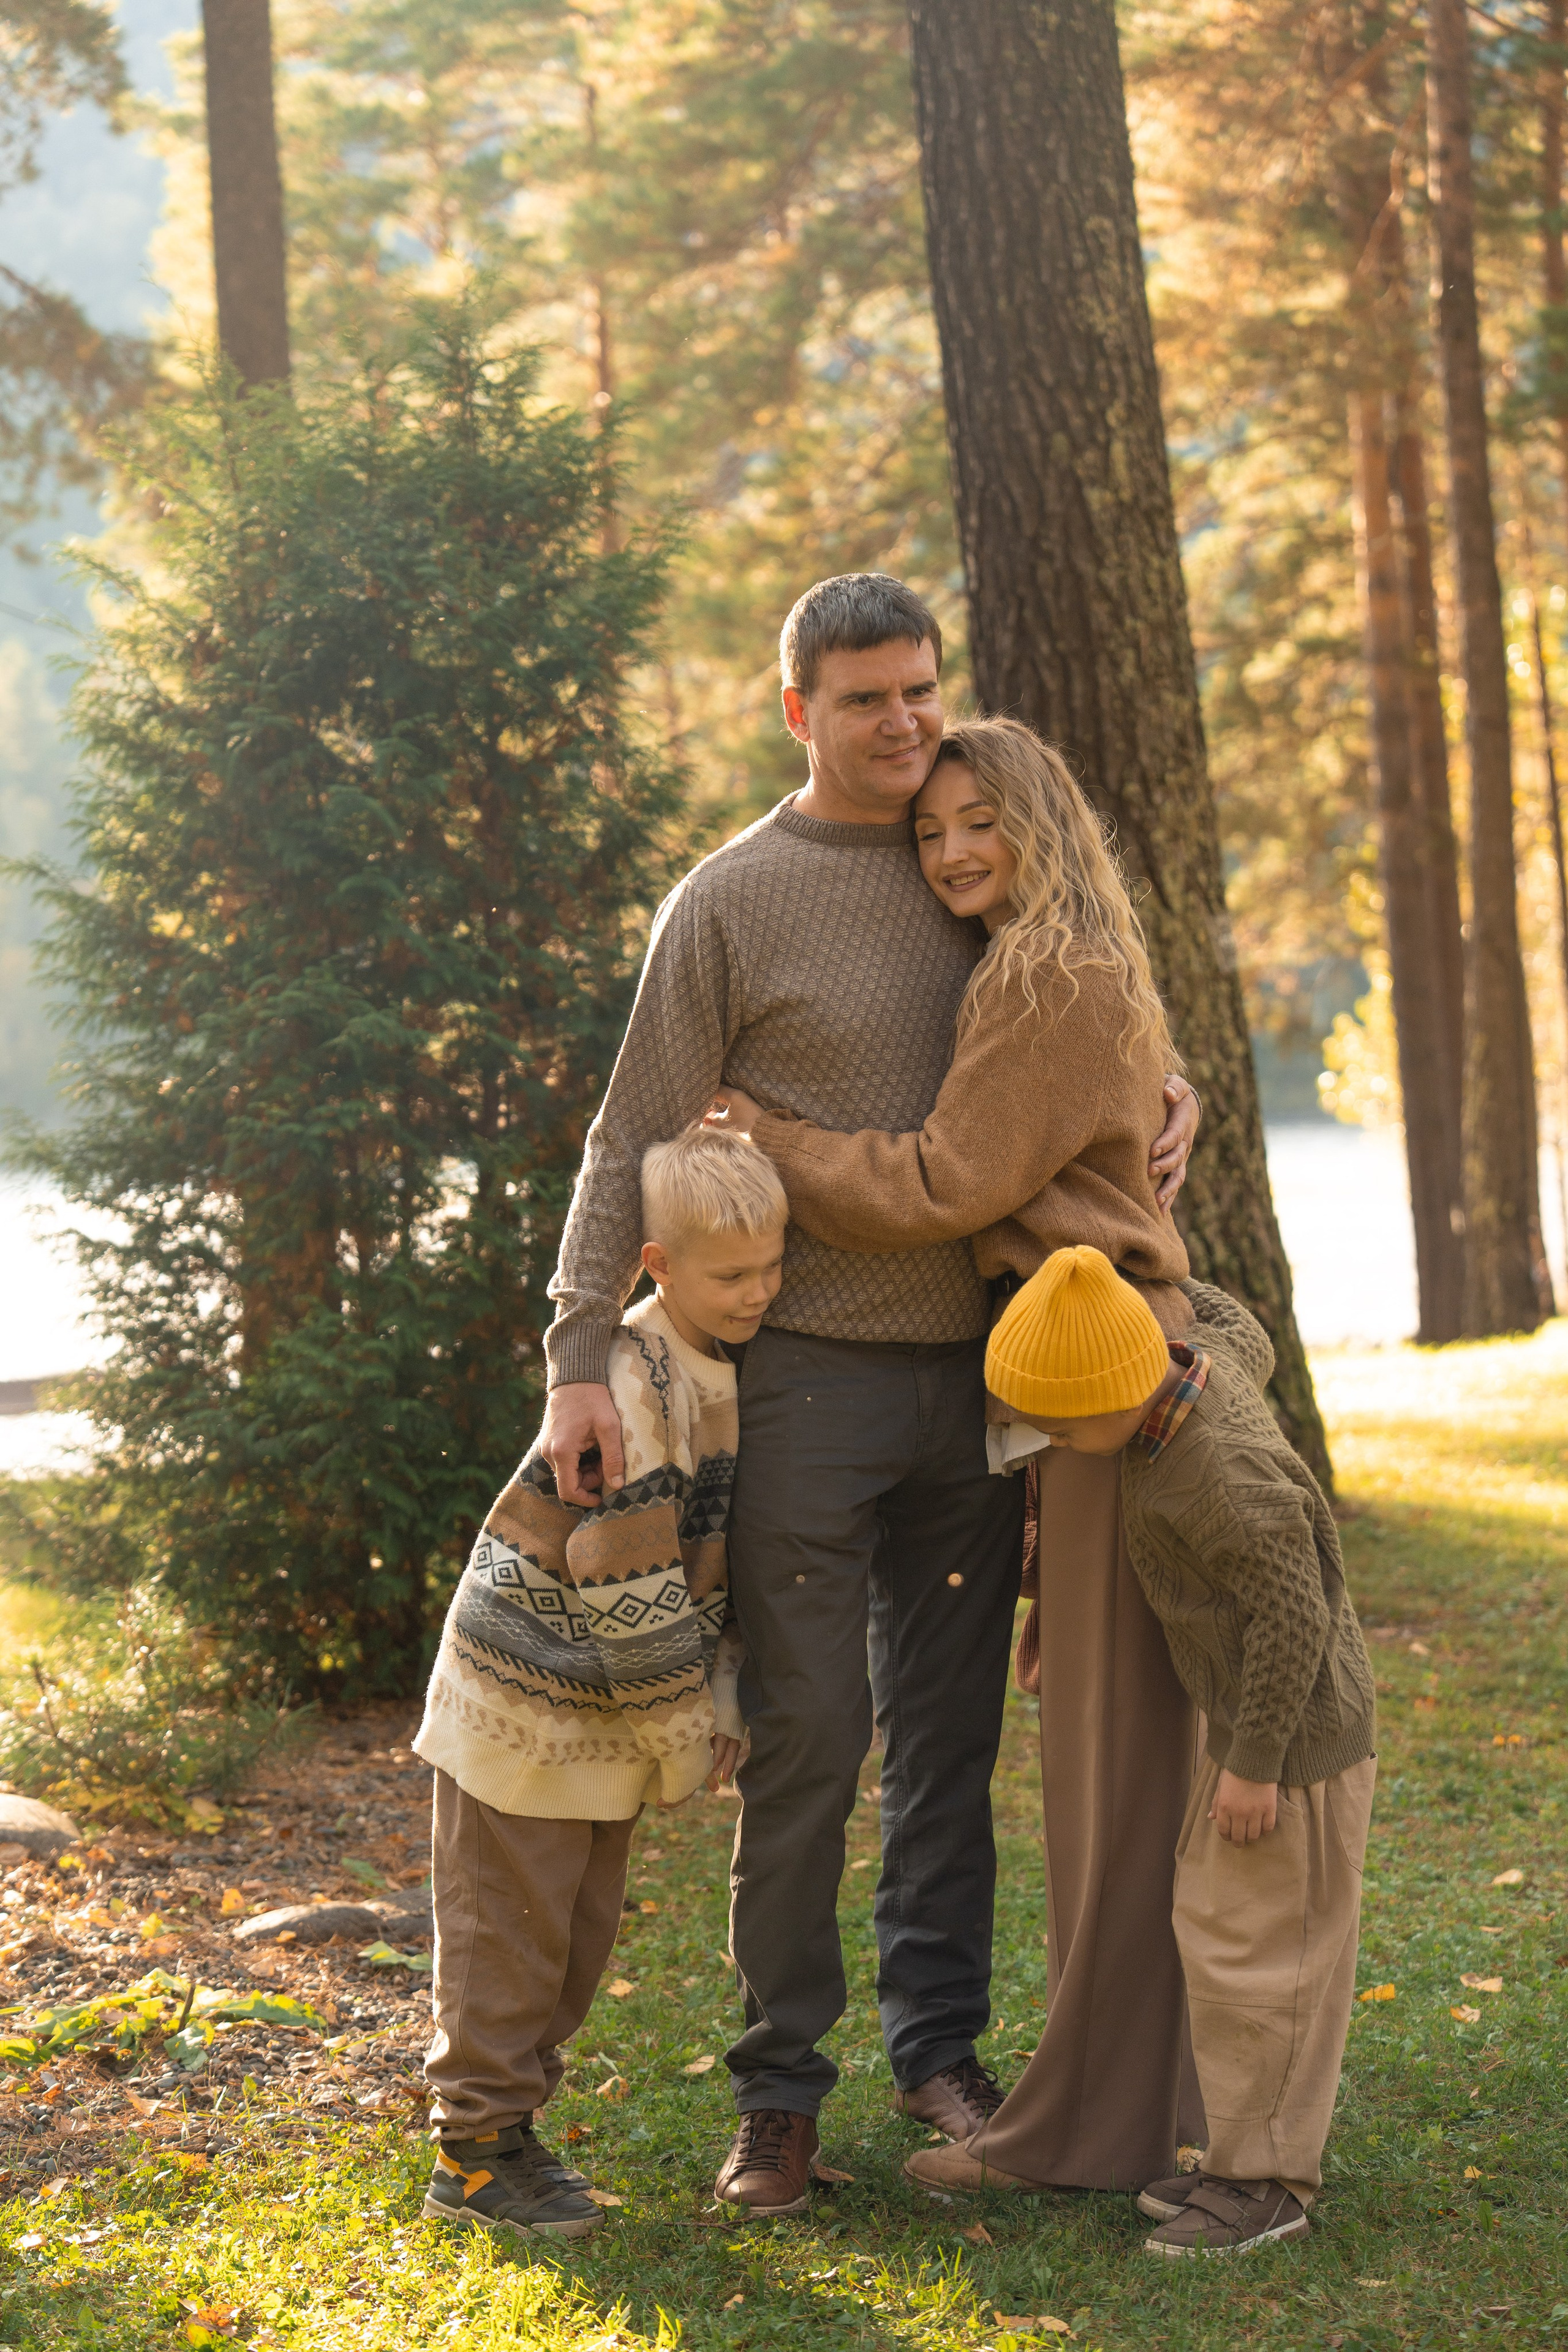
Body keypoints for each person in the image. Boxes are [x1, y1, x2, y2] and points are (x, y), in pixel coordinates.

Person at [538, 574, 1200, 2215]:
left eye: (919, 689)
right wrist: (572, 1349)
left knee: (952, 1745)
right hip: (814, 1389)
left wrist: (1163, 1082)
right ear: (798, 713)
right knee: (815, 1740)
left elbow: (1080, 1014)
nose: (903, 724)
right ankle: (776, 2104)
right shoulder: (731, 902)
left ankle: (941, 2053)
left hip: (983, 1389)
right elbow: (631, 1136)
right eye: (863, 700)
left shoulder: (974, 858)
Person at [712, 714, 1208, 2188]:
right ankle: (830, 2098)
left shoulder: (1041, 970)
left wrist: (771, 1136)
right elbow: (1118, 1115)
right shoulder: (1046, 954)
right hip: (1003, 1377)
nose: (951, 850)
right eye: (931, 831)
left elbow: (945, 1180)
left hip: (1067, 1379)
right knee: (934, 1751)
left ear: (1039, 815)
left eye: (977, 819)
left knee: (1047, 1759)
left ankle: (1043, 2097)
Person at [907, 1246, 1378, 2258]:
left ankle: (1268, 2185)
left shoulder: (1222, 1475)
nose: (1062, 1445)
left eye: (1067, 1428)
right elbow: (1232, 1319)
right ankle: (1236, 2159)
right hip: (1251, 1725)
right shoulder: (1196, 1364)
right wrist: (1147, 1273)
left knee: (1265, 1956)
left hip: (1291, 1742)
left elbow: (1296, 1612)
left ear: (1124, 1389)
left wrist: (1254, 1762)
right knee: (1217, 1927)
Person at [412, 1126, 783, 2244]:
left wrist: (710, 1703)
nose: (760, 1292)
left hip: (602, 1718)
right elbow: (623, 1572)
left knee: (574, 1938)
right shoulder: (632, 1371)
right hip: (524, 1703)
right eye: (733, 1276)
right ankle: (473, 2153)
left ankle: (512, 2132)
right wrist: (685, 1733)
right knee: (508, 1933)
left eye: (773, 1268)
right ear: (659, 1264)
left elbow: (714, 1560)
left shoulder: (725, 1358)